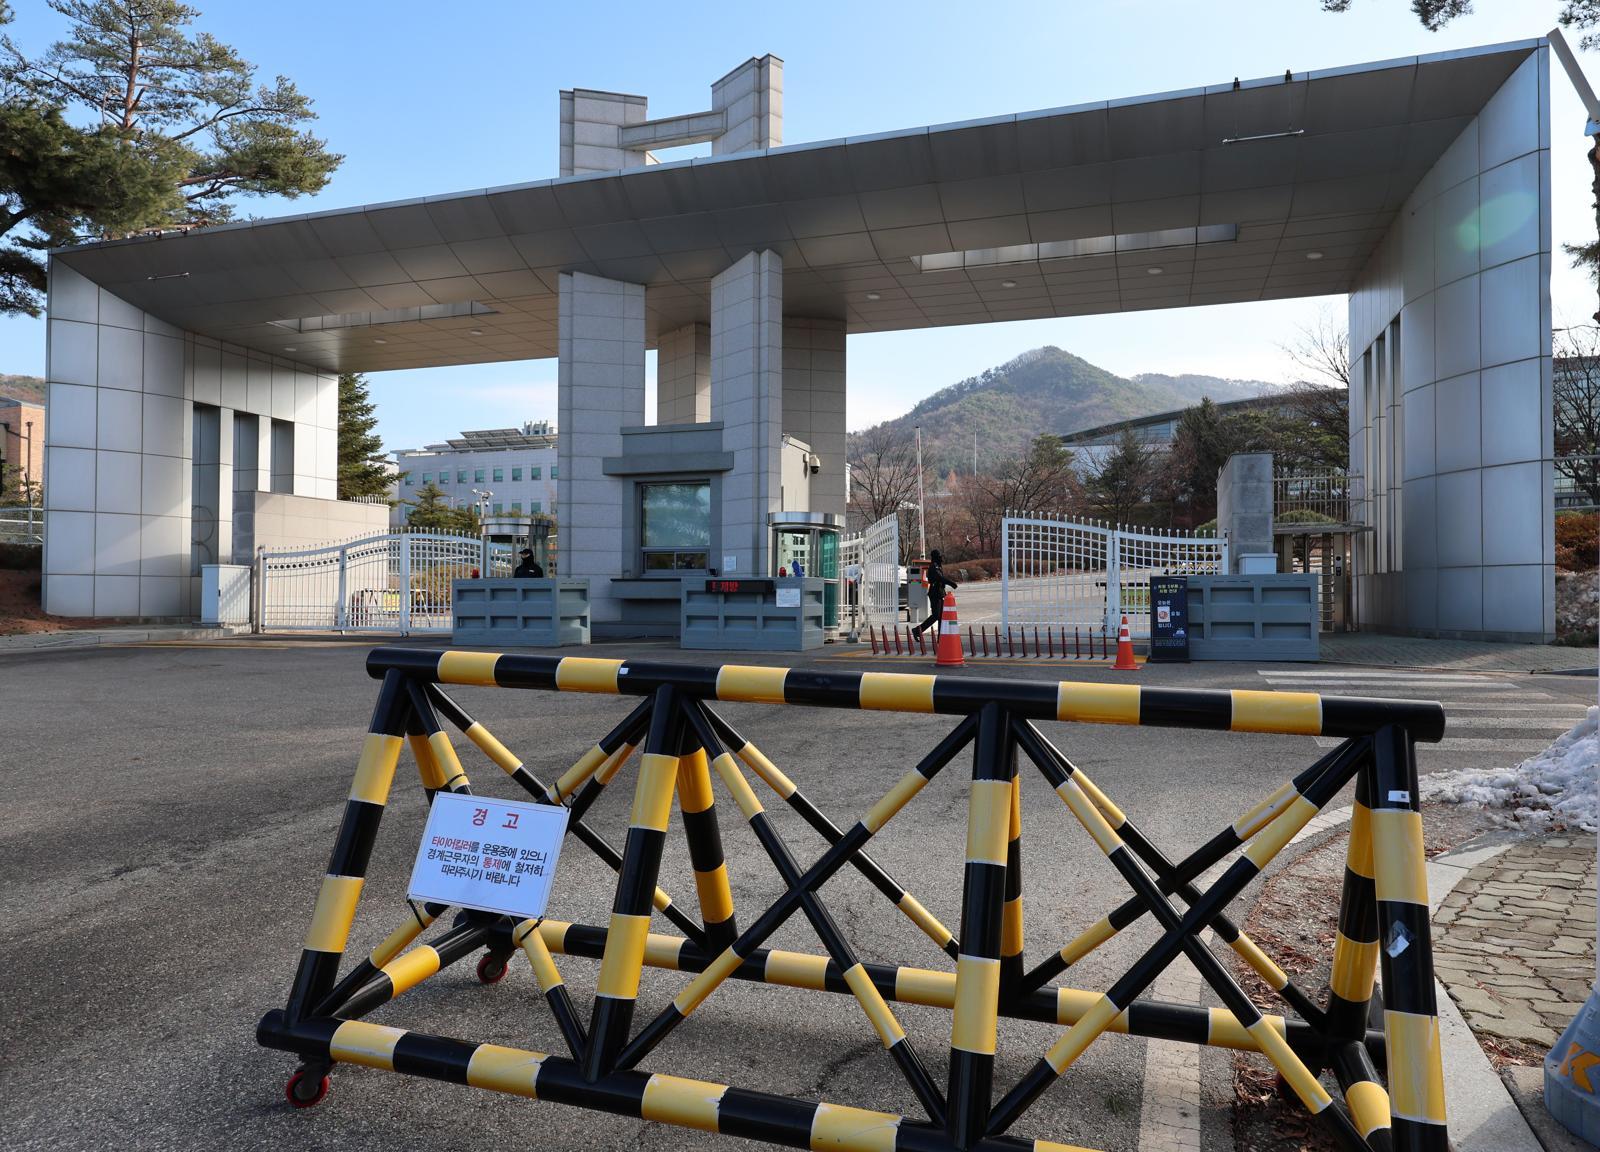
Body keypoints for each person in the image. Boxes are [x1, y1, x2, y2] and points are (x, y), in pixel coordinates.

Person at [910, 549, 958, 639]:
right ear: (936, 557)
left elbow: (941, 578)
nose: (941, 557)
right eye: (939, 556)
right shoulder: (933, 566)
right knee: (936, 615)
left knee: (941, 616)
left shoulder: (938, 565)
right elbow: (940, 578)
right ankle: (917, 630)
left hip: (940, 593)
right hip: (935, 594)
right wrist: (951, 583)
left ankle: (941, 637)